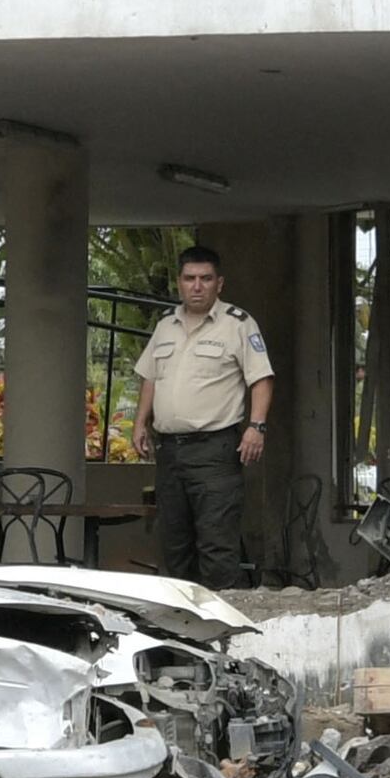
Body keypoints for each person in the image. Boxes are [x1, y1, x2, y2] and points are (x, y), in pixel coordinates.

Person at [130, 242, 274, 587]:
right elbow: (150, 376)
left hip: (215, 451)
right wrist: (139, 423)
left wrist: (256, 427)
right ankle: (175, 630)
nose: (197, 286)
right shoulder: (166, 324)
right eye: (190, 278)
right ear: (179, 282)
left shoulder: (238, 324)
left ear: (219, 284)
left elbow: (262, 379)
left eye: (205, 279)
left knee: (216, 545)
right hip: (170, 452)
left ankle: (223, 634)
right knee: (173, 545)